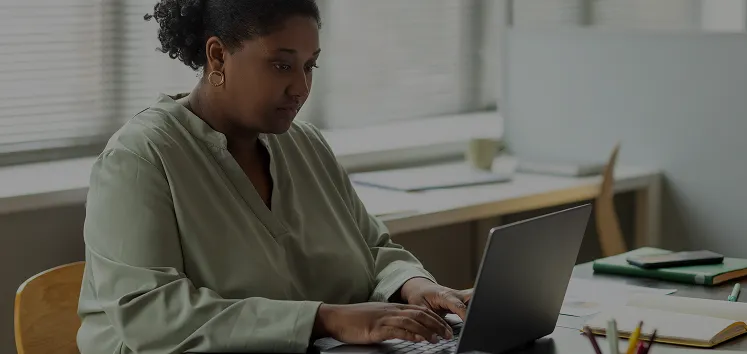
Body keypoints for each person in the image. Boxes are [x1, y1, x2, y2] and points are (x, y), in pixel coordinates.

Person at [77, 0, 472, 353]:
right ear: (218, 56)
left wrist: (414, 286)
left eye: (309, 65)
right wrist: (326, 319)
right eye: (281, 65)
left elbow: (372, 249)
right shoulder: (140, 159)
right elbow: (151, 316)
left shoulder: (306, 144)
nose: (301, 87)